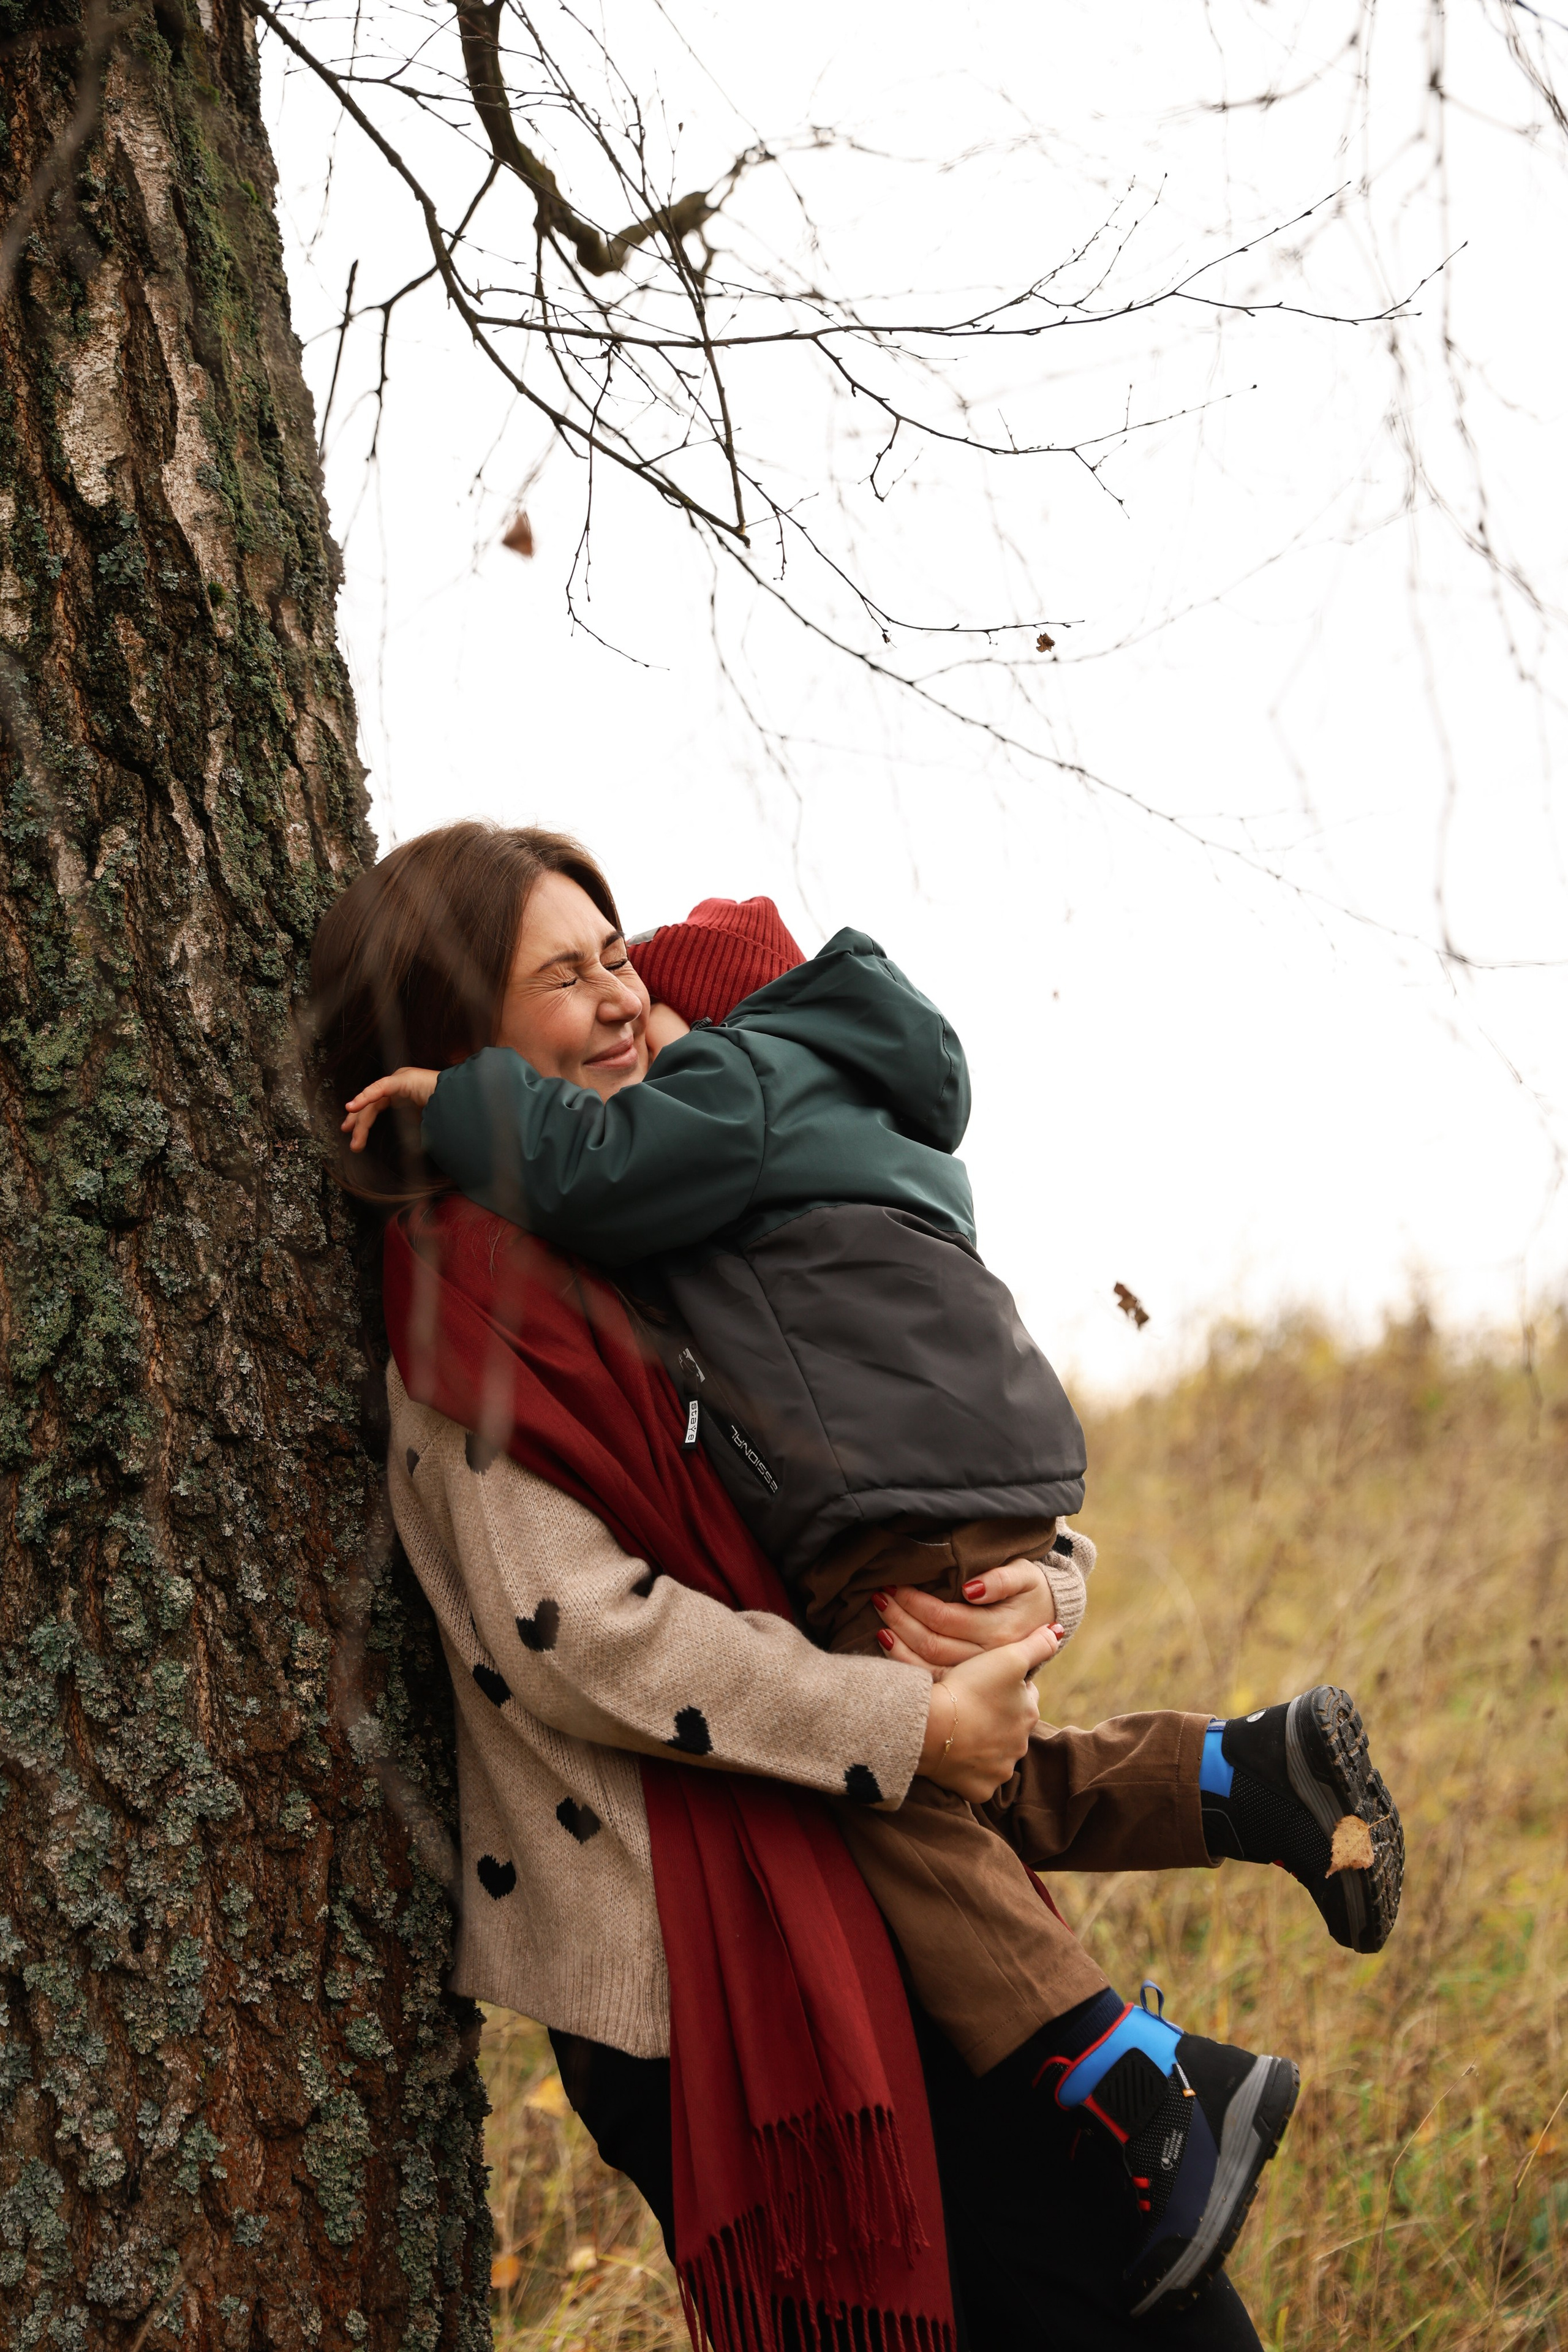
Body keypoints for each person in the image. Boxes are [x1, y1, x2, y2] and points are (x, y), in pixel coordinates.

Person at [339, 838, 1404, 2318]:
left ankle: (1224, 1833)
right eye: (561, 974)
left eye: (618, 960)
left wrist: (1043, 1597)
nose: (618, 999)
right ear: (454, 1035)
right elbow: (578, 1632)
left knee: (1145, 2309)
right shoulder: (476, 1304)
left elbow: (865, 1472)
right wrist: (908, 1727)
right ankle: (1219, 1840)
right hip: (715, 1954)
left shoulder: (668, 1218)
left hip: (856, 1858)